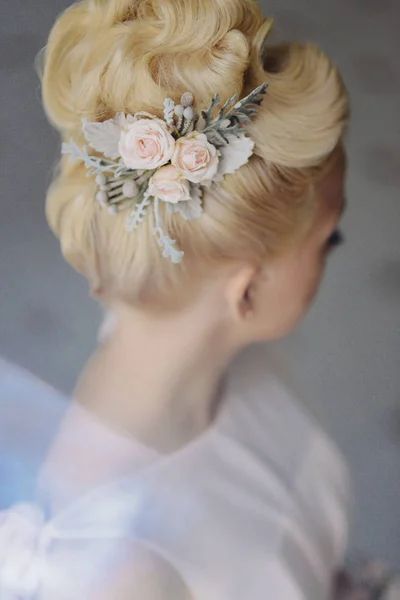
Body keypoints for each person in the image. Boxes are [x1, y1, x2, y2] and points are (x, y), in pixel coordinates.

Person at [0, 0, 360, 598]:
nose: (331, 257)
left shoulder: (217, 352)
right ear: (246, 290)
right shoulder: (125, 574)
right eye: (330, 239)